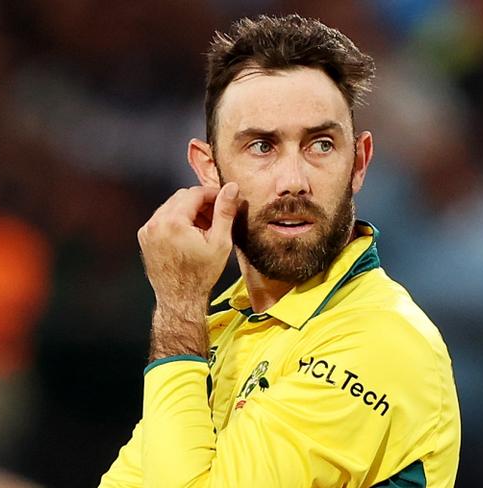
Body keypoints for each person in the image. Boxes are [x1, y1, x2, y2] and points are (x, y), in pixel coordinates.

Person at [100, 14, 460, 488]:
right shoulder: (221, 332)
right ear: (209, 169)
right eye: (262, 147)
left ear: (359, 162)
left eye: (322, 144)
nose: (294, 181)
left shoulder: (383, 339)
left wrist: (179, 304)